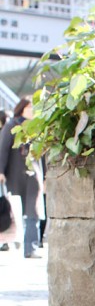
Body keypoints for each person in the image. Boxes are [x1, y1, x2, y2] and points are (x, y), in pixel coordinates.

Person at [0, 98, 44, 258]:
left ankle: (30, 247)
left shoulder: (36, 127)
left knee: (34, 210)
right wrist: (1, 171)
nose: (32, 110)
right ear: (22, 109)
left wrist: (44, 177)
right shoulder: (11, 126)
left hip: (33, 175)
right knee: (15, 211)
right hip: (15, 175)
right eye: (30, 107)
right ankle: (11, 241)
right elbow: (3, 149)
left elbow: (42, 154)